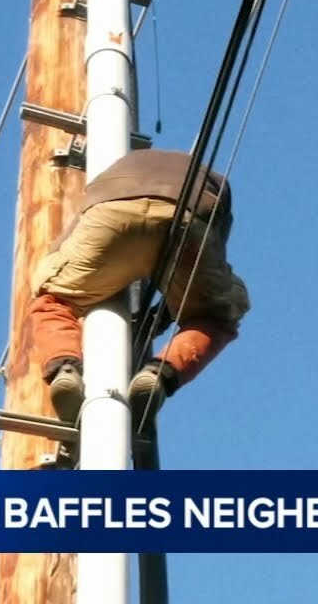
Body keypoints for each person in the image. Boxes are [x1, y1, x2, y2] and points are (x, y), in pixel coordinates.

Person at [26, 148, 250, 440]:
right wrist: (168, 314)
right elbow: (209, 261)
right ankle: (161, 373)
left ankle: (64, 367)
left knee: (53, 300)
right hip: (187, 218)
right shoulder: (214, 179)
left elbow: (71, 240)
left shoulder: (117, 167)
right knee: (218, 316)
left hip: (111, 213)